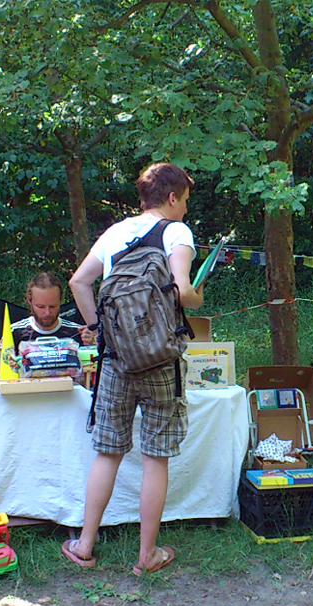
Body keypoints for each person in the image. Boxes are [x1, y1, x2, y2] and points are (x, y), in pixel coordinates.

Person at [63, 163, 203, 575]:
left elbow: (78, 282)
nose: (185, 210)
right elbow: (182, 291)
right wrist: (197, 295)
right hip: (160, 358)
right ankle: (147, 555)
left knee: (108, 452)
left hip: (117, 360)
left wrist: (98, 329)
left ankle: (85, 545)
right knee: (155, 458)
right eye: (185, 201)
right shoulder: (177, 233)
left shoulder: (114, 233)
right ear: (173, 197)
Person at [10, 272, 82, 354]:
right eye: (40, 306)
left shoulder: (77, 333)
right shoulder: (14, 333)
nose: (47, 313)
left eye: (52, 306)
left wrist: (92, 345)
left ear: (61, 300)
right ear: (29, 300)